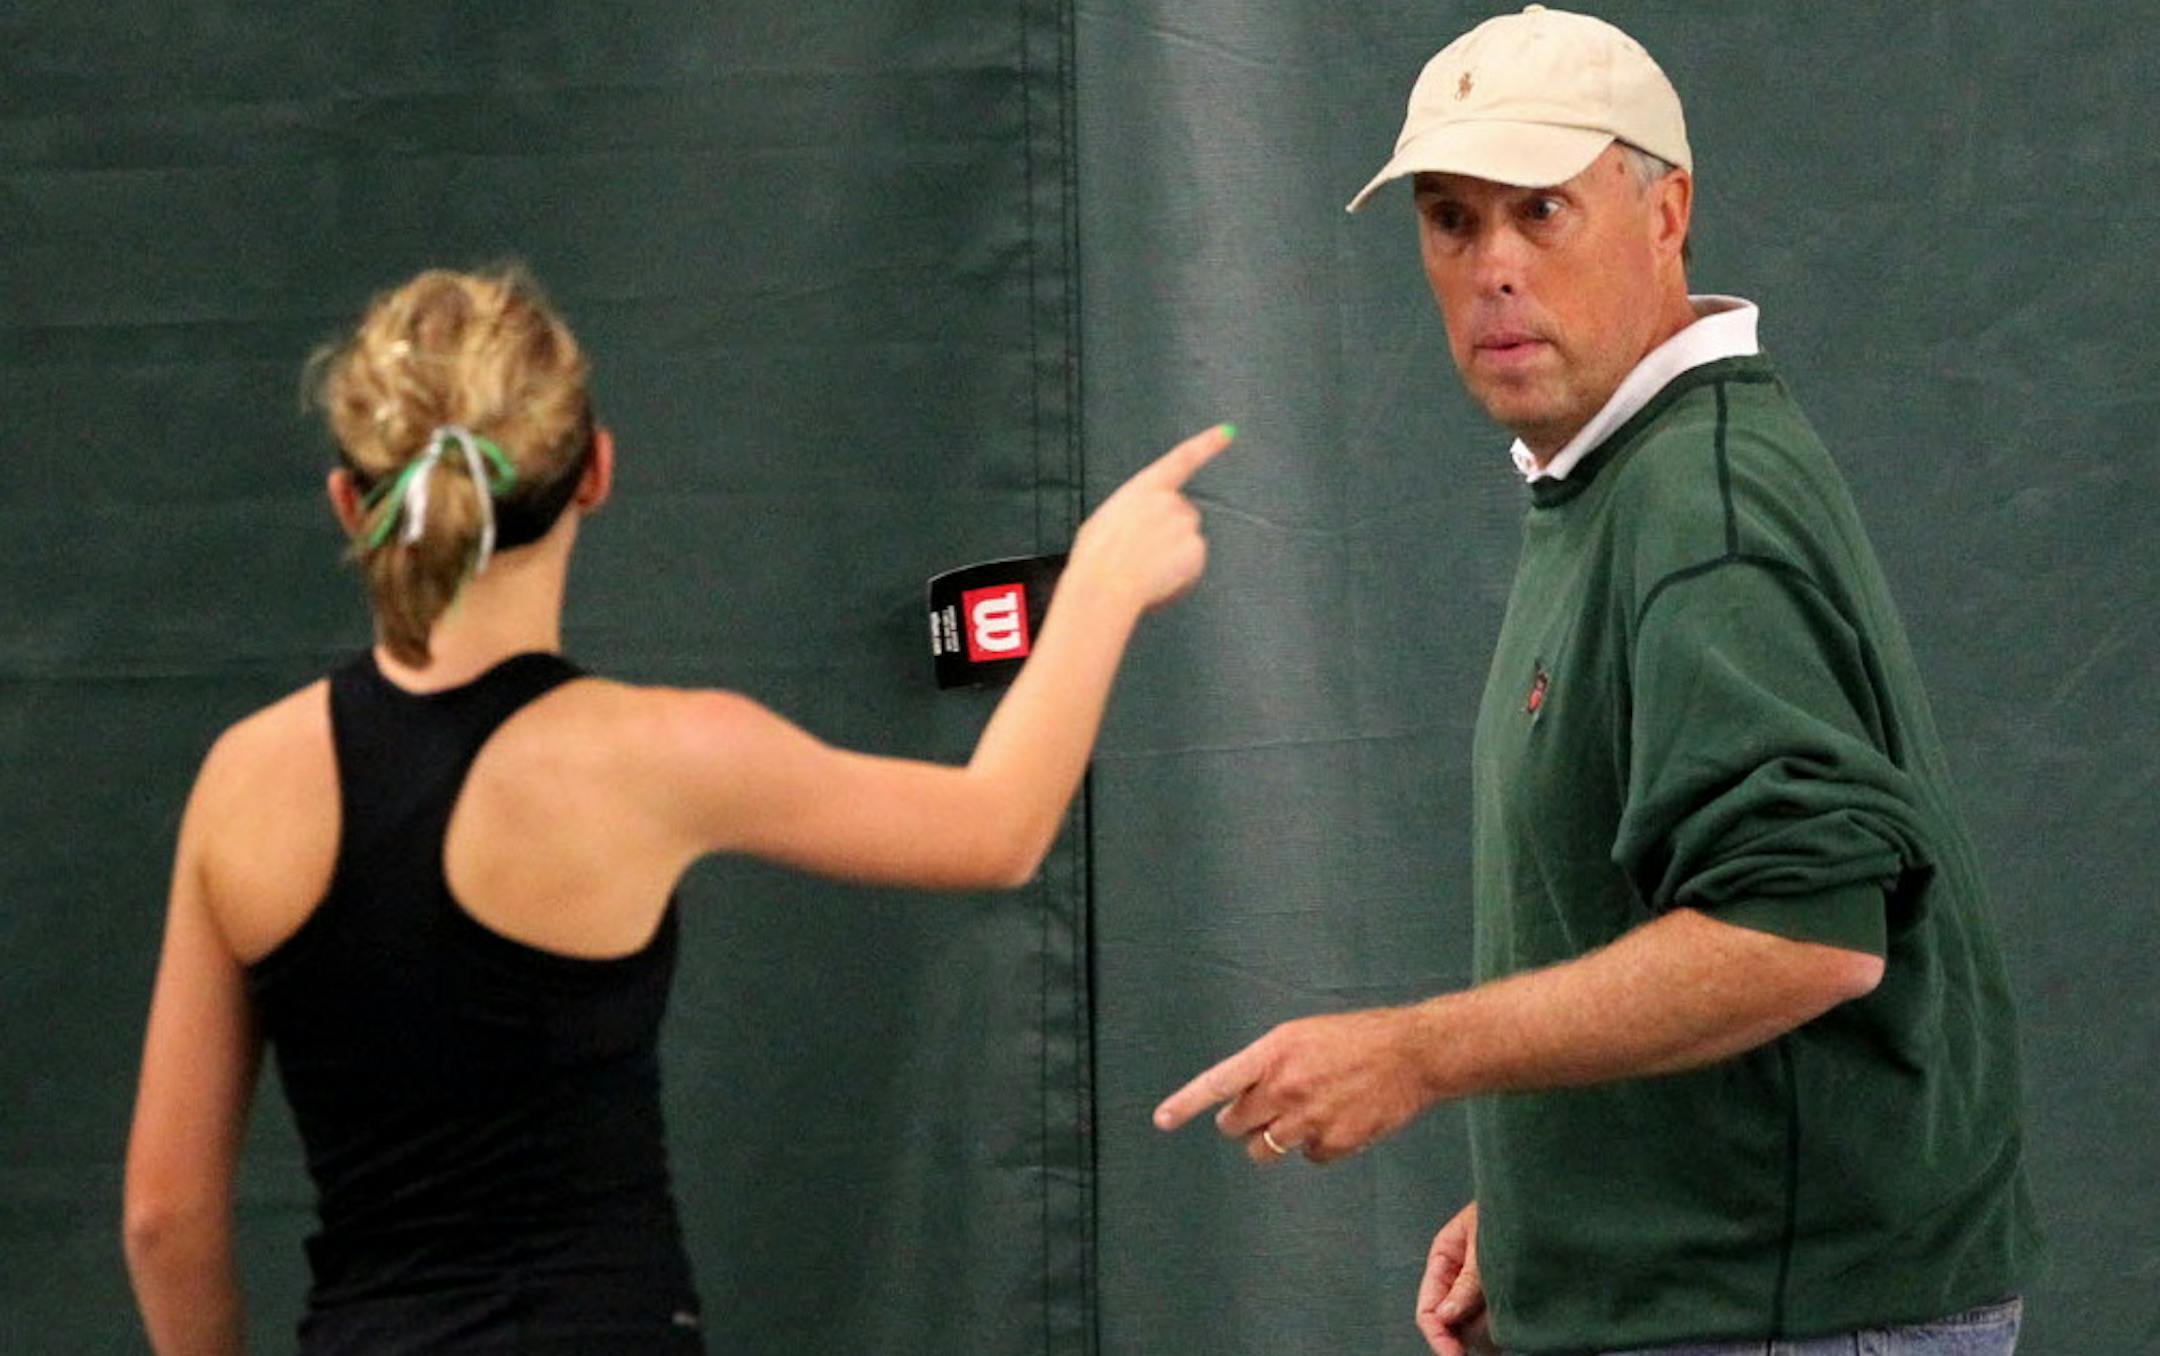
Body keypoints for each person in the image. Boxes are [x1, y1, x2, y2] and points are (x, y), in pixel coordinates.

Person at [122, 265, 1229, 1355]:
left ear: (349, 502)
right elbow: (998, 828)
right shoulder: (653, 754)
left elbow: (165, 1221)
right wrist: (1099, 585)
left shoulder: (244, 779)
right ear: (596, 471)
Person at [1152, 8, 2040, 1354]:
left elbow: (1801, 933)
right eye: (1452, 221)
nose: (1493, 268)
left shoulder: (1702, 516)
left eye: (1542, 213)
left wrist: (1411, 1054)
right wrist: (1554, 1202)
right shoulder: (1626, 481)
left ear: (1667, 212)